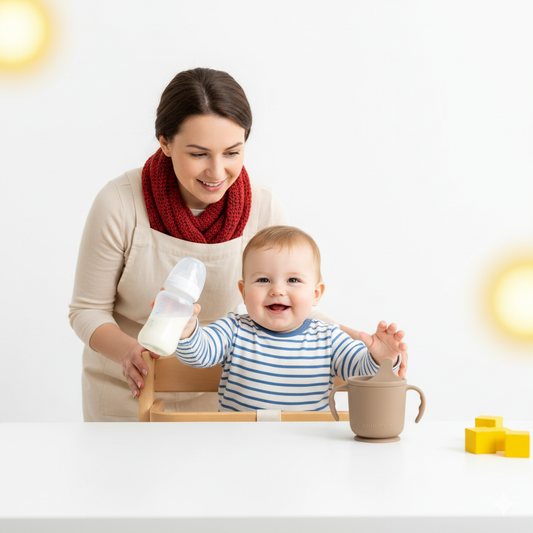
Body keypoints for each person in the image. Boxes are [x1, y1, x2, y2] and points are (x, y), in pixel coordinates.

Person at [70, 68, 406, 421]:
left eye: (232, 152)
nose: (217, 172)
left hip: (229, 400)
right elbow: (86, 310)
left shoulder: (262, 206)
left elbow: (291, 297)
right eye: (199, 154)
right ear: (165, 143)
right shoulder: (120, 203)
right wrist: (129, 352)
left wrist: (372, 349)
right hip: (131, 389)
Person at [174, 226, 406, 412]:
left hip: (309, 447)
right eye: (263, 280)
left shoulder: (329, 337)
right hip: (239, 444)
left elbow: (362, 376)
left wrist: (381, 359)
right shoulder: (233, 329)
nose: (277, 290)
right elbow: (199, 354)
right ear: (243, 292)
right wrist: (187, 329)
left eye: (293, 280)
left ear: (316, 294)